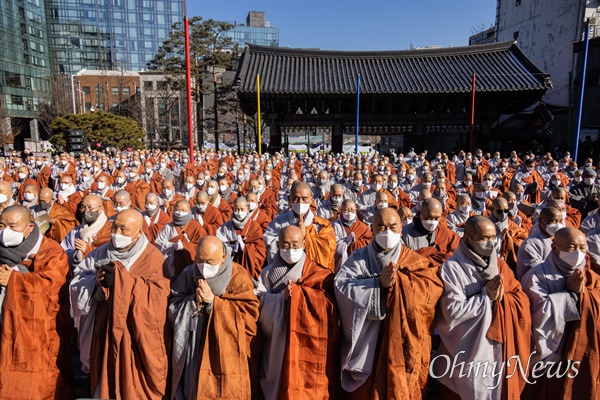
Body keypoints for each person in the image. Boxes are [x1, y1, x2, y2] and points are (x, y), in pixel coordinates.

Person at [335, 208, 443, 399]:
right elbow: (341, 286)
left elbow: (431, 290)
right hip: (368, 342)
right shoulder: (358, 258)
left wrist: (403, 284)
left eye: (393, 227)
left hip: (401, 340)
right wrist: (378, 285)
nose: (387, 232)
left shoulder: (414, 260)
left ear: (401, 228)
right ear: (372, 229)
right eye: (381, 227)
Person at [70, 209, 170, 399]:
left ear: (138, 233)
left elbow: (158, 298)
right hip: (105, 329)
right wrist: (97, 286)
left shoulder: (152, 257)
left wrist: (121, 283)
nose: (117, 233)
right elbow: (78, 282)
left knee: (132, 383)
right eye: (114, 227)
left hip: (134, 334)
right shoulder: (99, 253)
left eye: (124, 229)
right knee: (105, 382)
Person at [435, 217, 531, 399]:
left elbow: (520, 298)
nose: (490, 243)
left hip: (499, 341)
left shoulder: (500, 265)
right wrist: (486, 296)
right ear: (468, 239)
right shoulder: (452, 268)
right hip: (468, 345)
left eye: (493, 237)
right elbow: (452, 312)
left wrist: (504, 301)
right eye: (484, 238)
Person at [168, 236, 259, 400]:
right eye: (200, 261)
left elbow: (249, 316)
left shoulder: (238, 275)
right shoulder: (188, 274)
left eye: (210, 262)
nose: (204, 268)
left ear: (223, 257)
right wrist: (193, 302)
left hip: (224, 347)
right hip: (193, 343)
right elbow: (173, 304)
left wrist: (212, 303)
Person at [256, 225, 339, 399]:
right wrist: (281, 298)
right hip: (275, 341)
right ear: (278, 245)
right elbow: (258, 304)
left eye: (295, 245)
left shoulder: (317, 273)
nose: (290, 250)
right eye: (285, 245)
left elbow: (329, 304)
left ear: (303, 245)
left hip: (305, 338)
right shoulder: (266, 273)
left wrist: (301, 295)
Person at [0, 206, 73, 399]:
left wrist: (14, 280)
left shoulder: (51, 252)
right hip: (5, 323)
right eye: (2, 225)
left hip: (40, 327)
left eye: (12, 226)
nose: (5, 231)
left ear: (30, 227)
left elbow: (50, 286)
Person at [521, 227, 600, 399]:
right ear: (554, 248)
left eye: (583, 247)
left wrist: (584, 296)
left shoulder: (592, 277)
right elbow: (536, 316)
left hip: (581, 352)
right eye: (572, 247)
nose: (578, 253)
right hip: (550, 356)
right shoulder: (536, 276)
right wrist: (571, 296)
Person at [264, 182, 336, 270]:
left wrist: (306, 236)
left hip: (310, 271)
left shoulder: (321, 224)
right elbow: (269, 243)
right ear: (289, 199)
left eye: (304, 198)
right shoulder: (278, 222)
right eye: (296, 198)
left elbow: (329, 249)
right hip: (283, 269)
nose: (300, 202)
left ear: (311, 199)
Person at [216, 197, 267, 280]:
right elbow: (219, 244)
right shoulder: (225, 227)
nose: (239, 212)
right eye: (236, 209)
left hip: (247, 264)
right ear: (233, 209)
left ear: (247, 209)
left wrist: (245, 248)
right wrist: (231, 248)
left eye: (242, 209)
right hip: (230, 264)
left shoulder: (254, 226)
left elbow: (260, 249)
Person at [155, 200, 207, 279]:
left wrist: (185, 246)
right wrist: (172, 246)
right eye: (178, 210)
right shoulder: (168, 227)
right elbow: (158, 243)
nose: (180, 213)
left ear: (189, 211)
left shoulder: (196, 226)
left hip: (190, 266)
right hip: (171, 265)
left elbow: (202, 246)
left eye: (183, 210)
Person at [401, 198, 460, 266]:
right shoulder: (404, 234)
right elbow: (404, 261)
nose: (432, 222)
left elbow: (455, 254)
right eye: (428, 217)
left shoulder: (444, 232)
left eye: (436, 218)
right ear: (419, 213)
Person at [61, 194, 112, 268]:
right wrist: (75, 253)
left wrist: (87, 249)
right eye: (83, 208)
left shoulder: (109, 230)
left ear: (101, 209)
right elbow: (63, 251)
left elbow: (109, 254)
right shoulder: (75, 231)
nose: (86, 211)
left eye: (90, 208)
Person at [331, 199, 372, 272]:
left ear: (356, 210)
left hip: (357, 262)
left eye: (352, 210)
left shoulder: (362, 227)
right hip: (338, 263)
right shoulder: (334, 225)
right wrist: (346, 242)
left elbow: (370, 243)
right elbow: (330, 242)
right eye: (346, 210)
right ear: (341, 210)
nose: (350, 213)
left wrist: (356, 242)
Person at [488, 197, 528, 271]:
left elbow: (524, 240)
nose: (503, 213)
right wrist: (499, 239)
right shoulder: (486, 225)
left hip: (508, 264)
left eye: (506, 211)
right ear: (492, 210)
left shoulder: (512, 226)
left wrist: (509, 238)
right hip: (491, 263)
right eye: (499, 211)